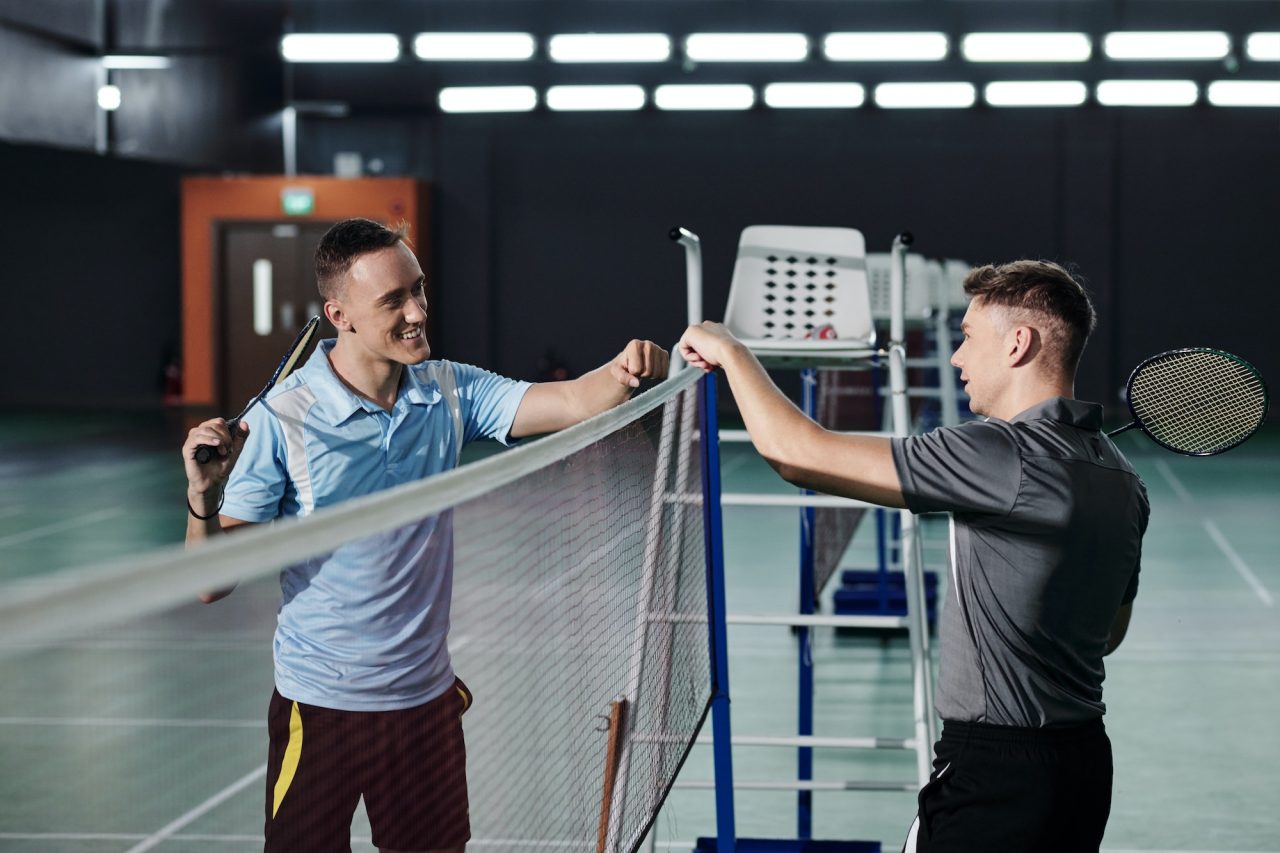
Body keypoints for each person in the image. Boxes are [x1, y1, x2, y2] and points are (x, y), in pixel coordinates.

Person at [182, 218, 668, 853]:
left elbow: (575, 402)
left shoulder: (449, 391)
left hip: (424, 705)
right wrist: (203, 498)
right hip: (322, 706)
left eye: (419, 289)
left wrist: (631, 368)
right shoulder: (284, 419)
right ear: (340, 314)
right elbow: (209, 585)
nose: (417, 311)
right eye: (392, 300)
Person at [678, 260, 1149, 853]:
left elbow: (797, 453)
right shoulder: (1122, 478)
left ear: (1019, 344)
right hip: (1082, 769)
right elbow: (1108, 634)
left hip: (994, 775)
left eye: (969, 338)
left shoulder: (998, 454)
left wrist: (732, 351)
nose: (956, 358)